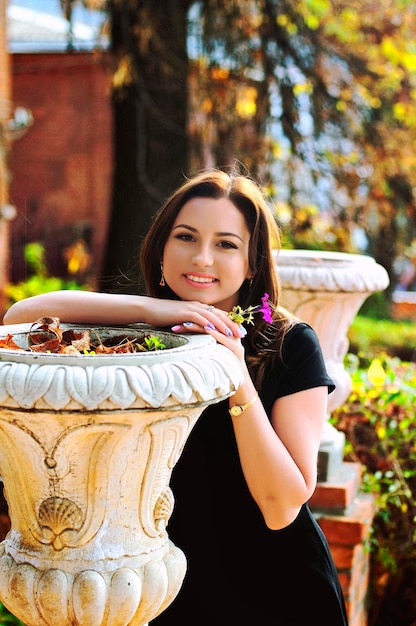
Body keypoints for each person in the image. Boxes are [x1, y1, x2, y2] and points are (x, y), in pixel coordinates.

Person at [3, 168, 349, 626]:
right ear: (162, 247)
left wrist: (236, 377)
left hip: (276, 590)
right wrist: (156, 311)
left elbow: (282, 505)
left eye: (226, 243)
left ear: (251, 262)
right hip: (163, 586)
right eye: (186, 237)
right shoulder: (146, 337)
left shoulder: (288, 344)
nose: (202, 258)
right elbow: (20, 316)